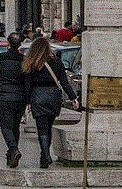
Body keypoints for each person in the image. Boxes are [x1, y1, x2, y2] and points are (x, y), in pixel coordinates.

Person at [23, 36, 80, 169]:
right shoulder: (57, 62)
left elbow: (28, 85)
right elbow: (64, 82)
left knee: (41, 128)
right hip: (53, 96)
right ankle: (45, 155)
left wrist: (27, 102)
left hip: (38, 96)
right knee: (49, 127)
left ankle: (45, 155)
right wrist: (73, 98)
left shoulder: (32, 64)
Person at [0, 32, 28, 168]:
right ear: (20, 45)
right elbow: (27, 79)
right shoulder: (23, 59)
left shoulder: (0, 57)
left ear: (8, 43)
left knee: (6, 126)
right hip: (20, 97)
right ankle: (12, 154)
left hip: (4, 96)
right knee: (15, 126)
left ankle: (13, 149)